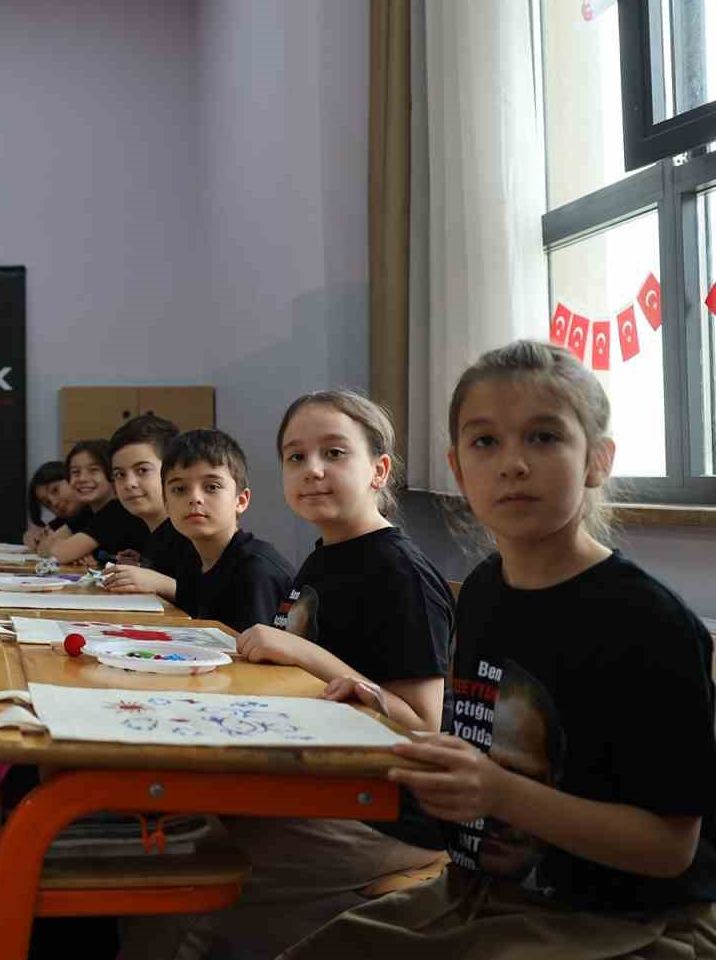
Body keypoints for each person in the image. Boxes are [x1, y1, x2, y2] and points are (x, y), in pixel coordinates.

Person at [288, 341, 716, 958]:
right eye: (485, 441)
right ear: (458, 469)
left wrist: (500, 793)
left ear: (597, 460)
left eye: (543, 437)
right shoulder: (485, 591)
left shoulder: (647, 622)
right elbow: (478, 755)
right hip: (479, 892)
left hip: (623, 921)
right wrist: (389, 714)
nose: (512, 463)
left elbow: (670, 848)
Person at [123, 391, 452, 960]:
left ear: (378, 470)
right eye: (295, 457)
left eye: (334, 453)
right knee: (160, 831)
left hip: (388, 814)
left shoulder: (399, 572)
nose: (312, 469)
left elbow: (424, 725)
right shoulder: (323, 558)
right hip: (311, 776)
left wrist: (306, 655)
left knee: (179, 877)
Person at [161, 428, 294, 631]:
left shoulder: (255, 570)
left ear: (241, 501)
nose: (194, 498)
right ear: (166, 504)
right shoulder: (191, 560)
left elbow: (252, 650)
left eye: (212, 487)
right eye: (180, 489)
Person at [102, 415, 194, 600]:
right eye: (120, 474)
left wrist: (158, 581)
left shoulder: (194, 531)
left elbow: (211, 600)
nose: (129, 483)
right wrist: (141, 568)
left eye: (142, 470)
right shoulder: (156, 534)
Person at [40, 439, 145, 564]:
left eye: (93, 470)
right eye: (75, 472)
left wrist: (69, 551)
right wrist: (75, 553)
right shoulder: (87, 511)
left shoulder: (118, 509)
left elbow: (58, 554)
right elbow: (44, 549)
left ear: (112, 474)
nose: (82, 478)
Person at [23, 460, 80, 549]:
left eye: (55, 490)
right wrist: (33, 536)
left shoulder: (99, 512)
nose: (54, 503)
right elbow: (40, 534)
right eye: (47, 503)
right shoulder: (62, 522)